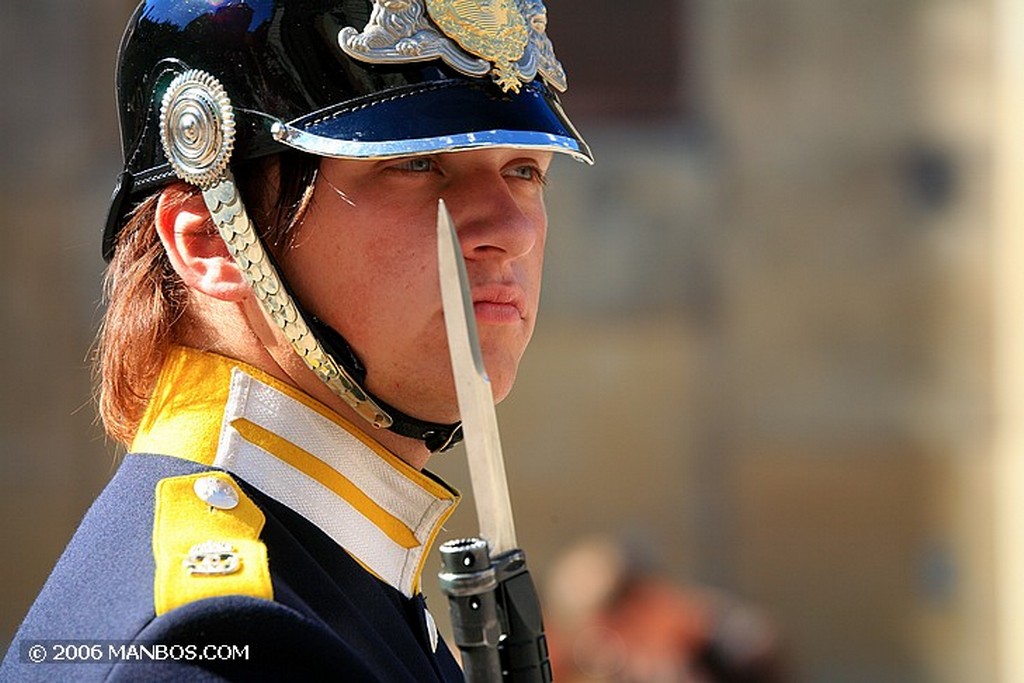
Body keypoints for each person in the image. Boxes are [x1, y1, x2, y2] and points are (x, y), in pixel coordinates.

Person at [0, 1, 591, 680]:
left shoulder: (336, 570)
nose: (513, 230)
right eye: (419, 163)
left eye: (524, 169)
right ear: (213, 241)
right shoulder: (216, 640)